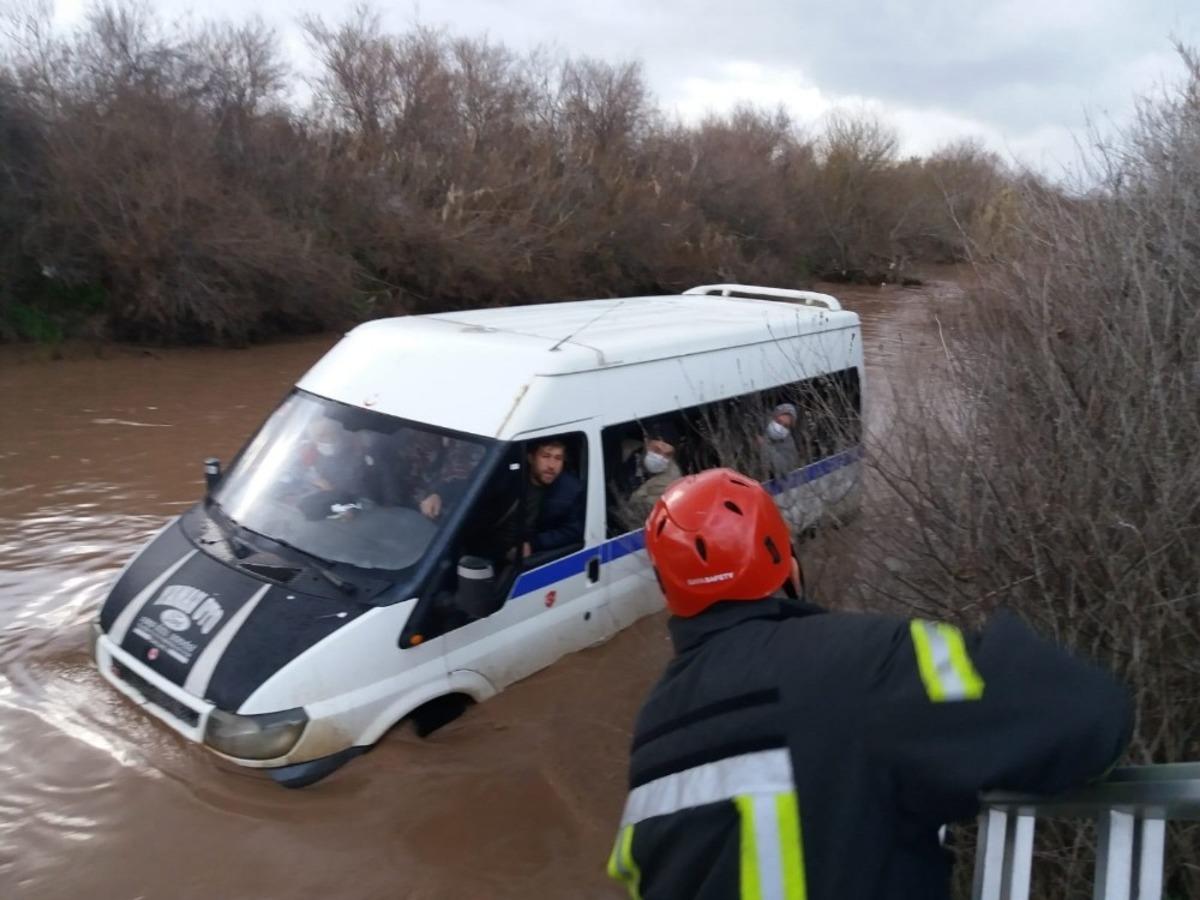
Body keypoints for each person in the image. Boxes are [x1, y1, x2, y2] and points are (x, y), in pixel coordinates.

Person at [607, 468, 1132, 900]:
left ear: (670, 592)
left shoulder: (652, 737)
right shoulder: (865, 660)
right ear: (784, 559)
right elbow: (1087, 715)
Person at [468, 437, 585, 565]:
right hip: (488, 550)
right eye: (545, 456)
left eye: (558, 458)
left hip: (530, 559)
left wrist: (534, 544)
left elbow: (574, 530)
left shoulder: (570, 490)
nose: (552, 465)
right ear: (531, 458)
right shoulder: (509, 480)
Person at [626, 421, 683, 523]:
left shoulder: (671, 480)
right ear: (646, 441)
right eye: (656, 450)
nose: (661, 458)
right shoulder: (627, 451)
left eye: (668, 454)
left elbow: (638, 510)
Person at [761, 401, 801, 478]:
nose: (780, 428)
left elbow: (784, 469)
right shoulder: (757, 430)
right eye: (779, 422)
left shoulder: (789, 444)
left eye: (786, 426)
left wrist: (765, 447)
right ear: (773, 418)